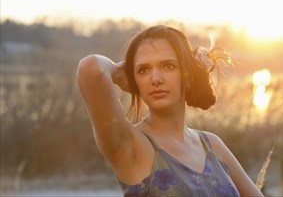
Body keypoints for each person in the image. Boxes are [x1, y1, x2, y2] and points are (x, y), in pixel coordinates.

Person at [76, 25, 263, 197]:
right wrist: (119, 73)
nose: (155, 78)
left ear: (187, 76)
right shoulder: (131, 145)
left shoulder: (212, 144)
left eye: (168, 66)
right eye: (143, 70)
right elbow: (90, 68)